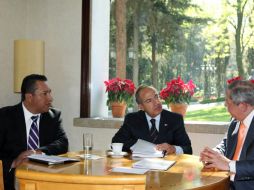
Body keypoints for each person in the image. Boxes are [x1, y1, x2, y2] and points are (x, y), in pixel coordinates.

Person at [0, 74, 69, 190]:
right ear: (29, 97)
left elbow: (63, 143)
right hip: (11, 180)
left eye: (50, 93)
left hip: (45, 180)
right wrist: (13, 162)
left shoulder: (53, 116)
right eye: (45, 94)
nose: (50, 98)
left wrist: (38, 152)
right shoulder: (4, 117)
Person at [200, 80, 254, 190]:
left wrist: (229, 165)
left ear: (243, 106)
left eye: (228, 102)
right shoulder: (235, 122)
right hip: (225, 184)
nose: (225, 104)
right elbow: (225, 143)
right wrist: (214, 154)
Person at [112, 85, 192, 155]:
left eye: (156, 97)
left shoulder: (175, 119)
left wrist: (173, 148)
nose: (156, 102)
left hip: (167, 167)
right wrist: (139, 145)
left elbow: (188, 149)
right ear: (141, 107)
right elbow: (116, 143)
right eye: (149, 101)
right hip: (139, 166)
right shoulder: (132, 119)